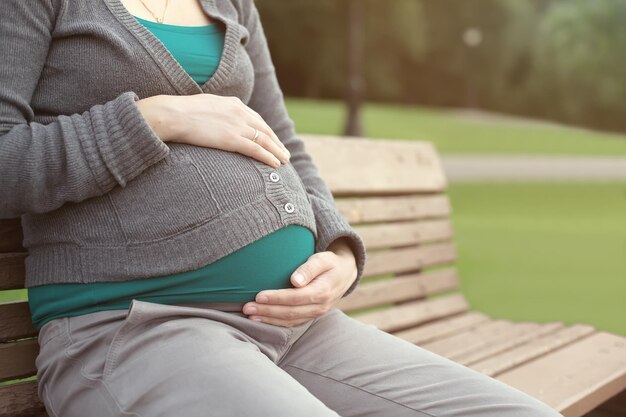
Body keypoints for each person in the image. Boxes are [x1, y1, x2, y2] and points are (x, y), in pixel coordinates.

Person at [0, 0, 563, 416]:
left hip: (294, 329)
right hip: (135, 327)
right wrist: (154, 118)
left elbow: (284, 142)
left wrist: (337, 247)